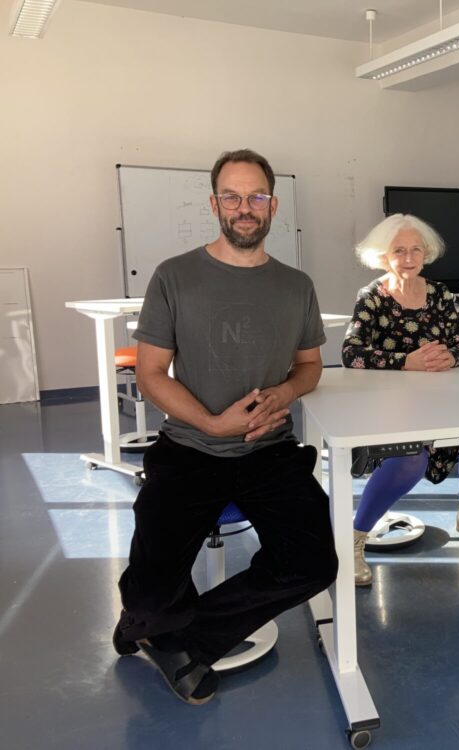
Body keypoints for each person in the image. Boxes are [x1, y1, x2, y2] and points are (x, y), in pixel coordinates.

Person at [113, 149, 337, 704]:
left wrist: (284, 392)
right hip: (189, 446)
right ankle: (150, 621)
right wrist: (212, 424)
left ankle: (179, 636)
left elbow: (309, 366)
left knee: (312, 563)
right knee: (147, 587)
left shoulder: (296, 285)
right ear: (215, 203)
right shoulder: (174, 276)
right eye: (233, 197)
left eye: (256, 197)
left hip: (269, 449)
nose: (245, 208)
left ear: (272, 205)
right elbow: (150, 373)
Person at [342, 214, 459, 586]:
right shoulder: (372, 298)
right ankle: (354, 538)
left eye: (416, 250)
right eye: (399, 250)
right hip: (386, 407)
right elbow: (351, 352)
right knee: (409, 462)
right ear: (383, 256)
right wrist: (406, 362)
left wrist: (451, 356)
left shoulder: (440, 294)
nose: (409, 257)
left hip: (441, 402)